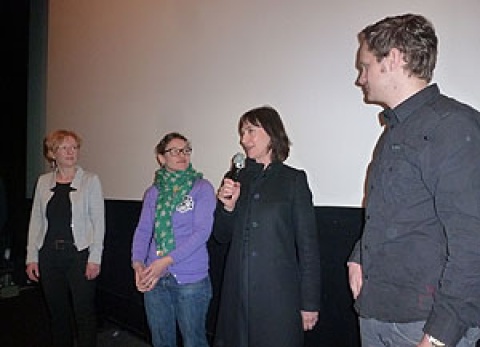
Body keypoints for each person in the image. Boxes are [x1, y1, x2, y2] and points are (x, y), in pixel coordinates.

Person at [348, 13, 480, 347]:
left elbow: (473, 242)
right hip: (378, 311)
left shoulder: (454, 127)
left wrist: (439, 336)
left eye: (364, 66)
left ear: (391, 59)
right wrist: (359, 254)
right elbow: (394, 210)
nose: (360, 79)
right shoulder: (394, 131)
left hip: (424, 325)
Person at [213, 106, 322, 347]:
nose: (244, 139)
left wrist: (309, 302)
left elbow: (308, 246)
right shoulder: (237, 179)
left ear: (272, 133)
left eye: (251, 131)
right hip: (237, 295)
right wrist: (227, 207)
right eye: (242, 133)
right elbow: (221, 236)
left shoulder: (293, 180)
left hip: (278, 296)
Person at [131, 132, 216, 347]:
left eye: (186, 150)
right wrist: (138, 265)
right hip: (154, 277)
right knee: (161, 341)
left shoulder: (201, 187)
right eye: (174, 151)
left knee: (194, 341)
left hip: (190, 279)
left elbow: (202, 232)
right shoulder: (153, 192)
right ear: (161, 157)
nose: (182, 155)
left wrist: (166, 261)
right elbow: (143, 231)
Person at [25, 129, 105, 347]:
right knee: (58, 314)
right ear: (52, 153)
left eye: (74, 147)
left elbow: (99, 223)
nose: (71, 152)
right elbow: (36, 222)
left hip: (79, 255)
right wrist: (32, 257)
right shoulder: (43, 182)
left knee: (84, 313)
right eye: (64, 147)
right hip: (49, 256)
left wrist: (95, 258)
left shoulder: (90, 181)